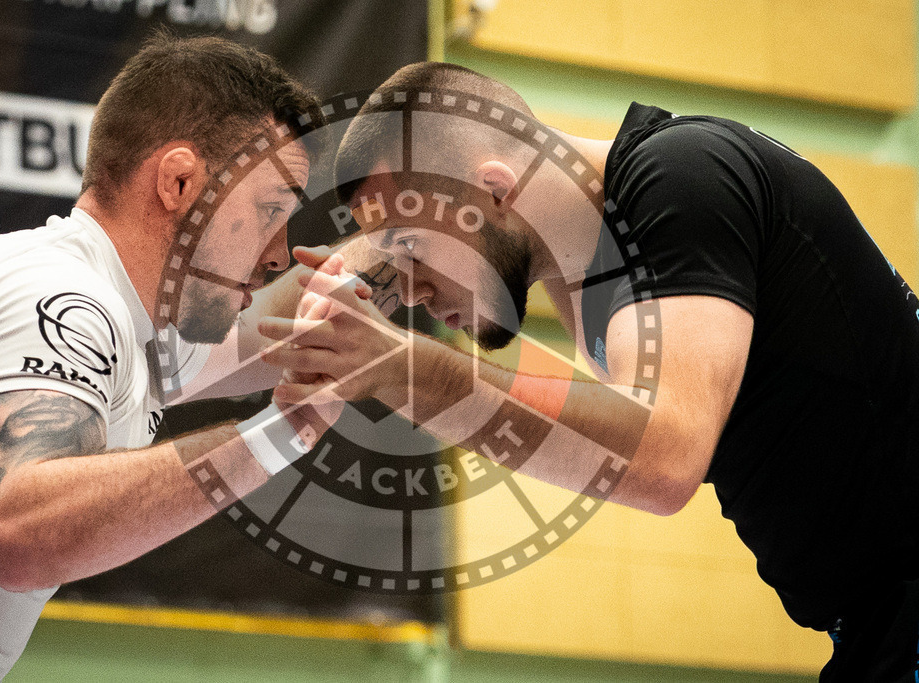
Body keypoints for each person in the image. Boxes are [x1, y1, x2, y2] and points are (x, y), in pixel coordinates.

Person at [259, 62, 919, 681]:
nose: (407, 293)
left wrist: (408, 373)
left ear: (492, 191)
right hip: (872, 620)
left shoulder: (682, 179)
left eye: (411, 250)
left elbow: (664, 457)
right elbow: (303, 301)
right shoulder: (586, 255)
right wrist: (179, 349)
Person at [0, 33, 370, 681]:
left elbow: (279, 337)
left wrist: (406, 242)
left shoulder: (126, 323)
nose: (281, 252)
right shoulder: (62, 297)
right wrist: (284, 431)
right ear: (178, 180)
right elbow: (22, 530)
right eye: (268, 212)